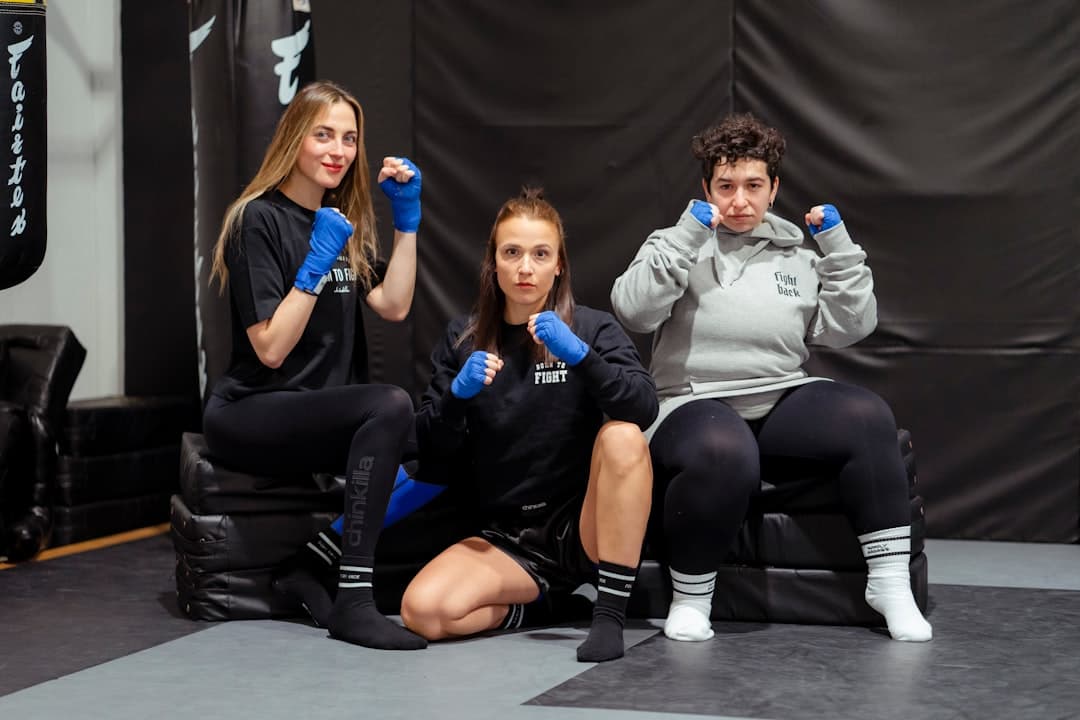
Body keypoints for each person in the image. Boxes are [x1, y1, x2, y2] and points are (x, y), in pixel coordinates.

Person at [610, 113, 932, 644]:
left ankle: (890, 583)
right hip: (692, 401)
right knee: (723, 447)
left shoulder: (799, 256)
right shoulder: (675, 242)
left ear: (774, 187)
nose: (739, 200)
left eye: (753, 186)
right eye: (726, 186)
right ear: (707, 188)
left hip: (781, 395)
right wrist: (690, 234)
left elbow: (851, 327)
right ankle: (691, 598)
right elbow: (634, 311)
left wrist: (839, 248)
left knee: (867, 414)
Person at [202, 80, 426, 650]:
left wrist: (407, 224)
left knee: (447, 439)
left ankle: (307, 564)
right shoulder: (257, 219)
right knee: (389, 402)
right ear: (294, 138)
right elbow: (271, 347)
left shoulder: (339, 220)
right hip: (251, 410)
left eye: (349, 138)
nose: (338, 150)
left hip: (317, 413)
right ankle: (354, 599)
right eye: (323, 134)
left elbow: (394, 304)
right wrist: (316, 264)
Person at [400, 188, 658, 662]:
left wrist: (581, 357)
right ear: (493, 263)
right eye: (512, 253)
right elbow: (429, 453)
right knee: (425, 612)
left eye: (540, 254)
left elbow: (643, 408)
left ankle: (609, 616)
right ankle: (550, 607)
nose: (525, 268)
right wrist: (457, 398)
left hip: (585, 528)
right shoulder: (464, 340)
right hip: (509, 537)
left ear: (559, 264)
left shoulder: (591, 329)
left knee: (621, 436)